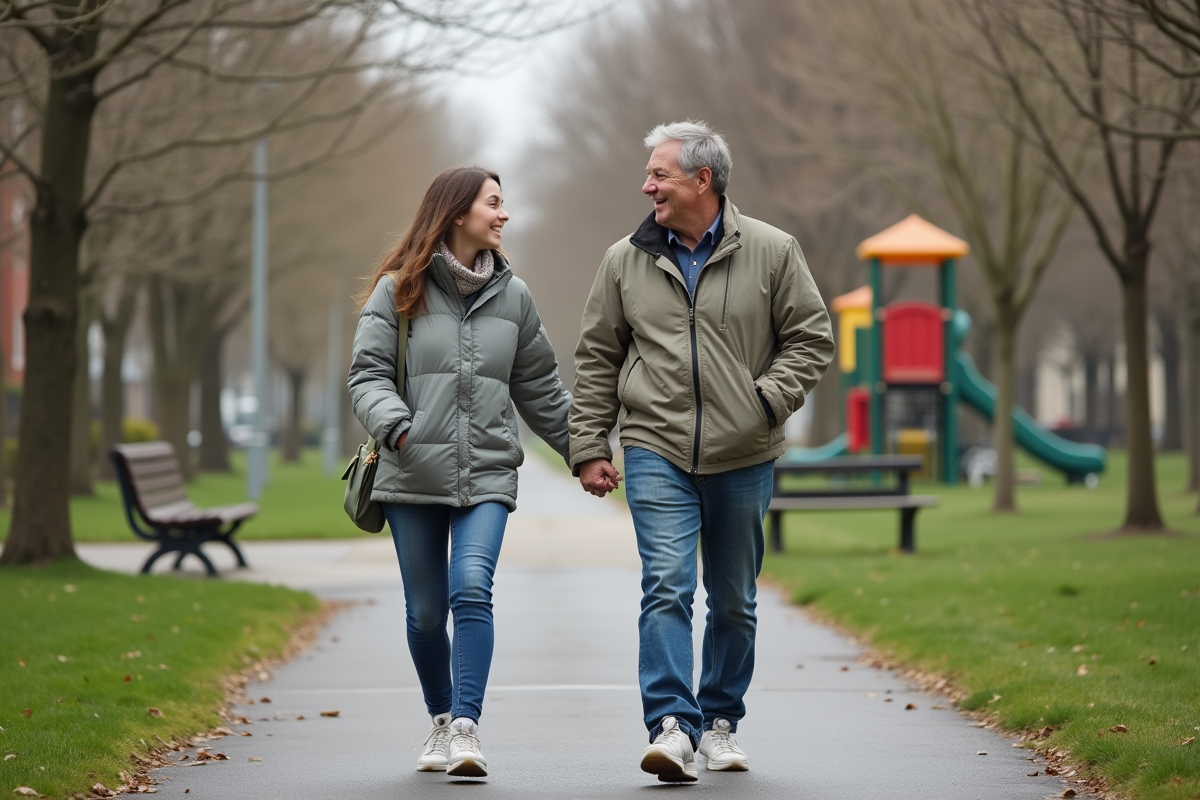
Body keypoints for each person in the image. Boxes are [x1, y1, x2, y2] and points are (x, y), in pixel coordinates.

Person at [569, 121, 835, 783]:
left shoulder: (773, 251)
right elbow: (598, 358)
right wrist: (588, 447)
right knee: (667, 584)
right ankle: (669, 725)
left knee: (735, 599)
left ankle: (719, 724)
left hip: (744, 451)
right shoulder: (623, 260)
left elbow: (812, 338)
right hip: (654, 445)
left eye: (659, 174)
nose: (647, 185)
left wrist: (766, 402)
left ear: (702, 180)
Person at [348, 166, 571, 779]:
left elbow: (542, 389)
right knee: (425, 611)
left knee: (471, 587)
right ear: (455, 214)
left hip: (487, 473)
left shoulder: (515, 296)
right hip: (411, 469)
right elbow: (366, 375)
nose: (503, 215)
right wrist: (397, 424)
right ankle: (441, 719)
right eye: (493, 204)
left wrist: (589, 453)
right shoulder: (398, 290)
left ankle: (468, 728)